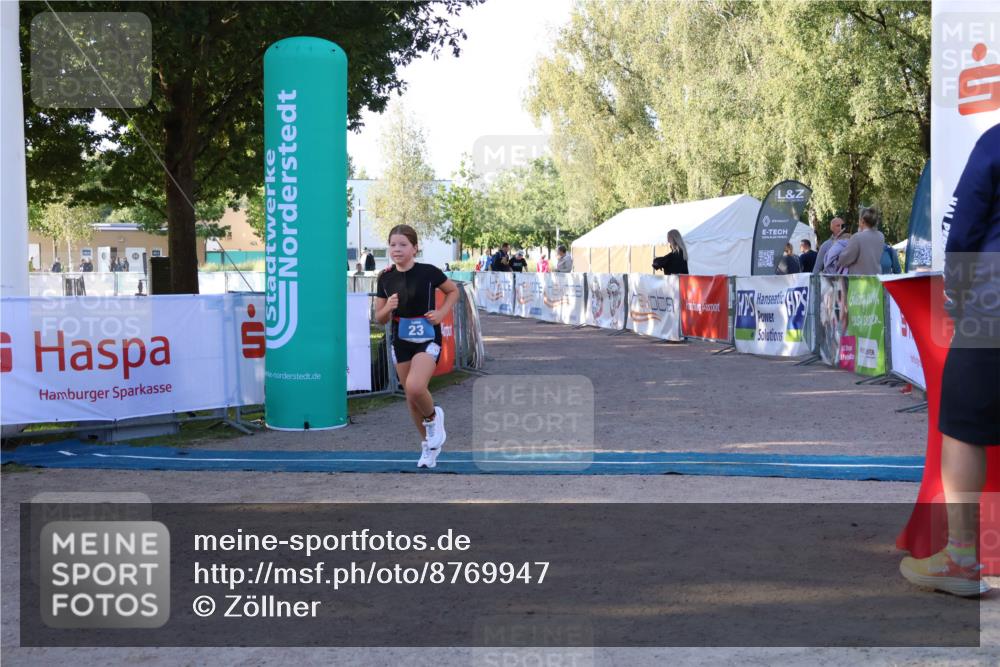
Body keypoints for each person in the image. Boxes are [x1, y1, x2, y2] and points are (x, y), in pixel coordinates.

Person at [900, 122, 1000, 597]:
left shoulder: (996, 141)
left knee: (962, 426)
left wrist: (958, 296)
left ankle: (961, 559)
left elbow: (962, 230)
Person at [374, 224, 460, 469]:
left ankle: (434, 417)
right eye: (392, 245)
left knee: (415, 385)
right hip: (400, 339)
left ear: (415, 248)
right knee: (411, 398)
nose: (397, 249)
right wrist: (388, 308)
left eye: (403, 245)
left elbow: (453, 292)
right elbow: (378, 318)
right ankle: (428, 447)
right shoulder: (385, 277)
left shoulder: (429, 272)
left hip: (427, 337)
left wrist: (442, 312)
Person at [837, 207, 885, 275]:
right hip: (875, 280)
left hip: (859, 281)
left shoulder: (857, 237)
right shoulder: (881, 236)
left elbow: (843, 261)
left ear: (862, 221)